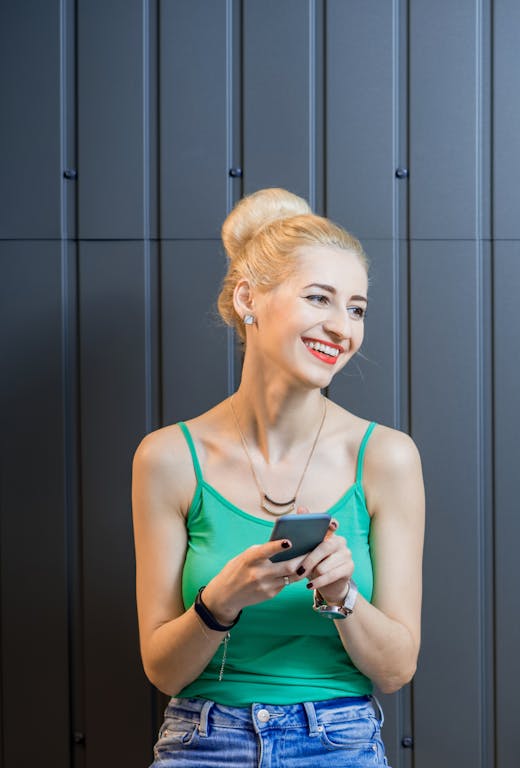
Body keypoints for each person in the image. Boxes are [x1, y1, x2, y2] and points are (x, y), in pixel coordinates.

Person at [132, 188, 425, 767]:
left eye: (357, 308)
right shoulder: (168, 457)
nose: (342, 327)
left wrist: (344, 598)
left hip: (340, 741)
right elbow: (162, 669)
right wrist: (221, 602)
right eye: (320, 298)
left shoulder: (387, 457)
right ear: (249, 298)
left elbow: (396, 669)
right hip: (202, 742)